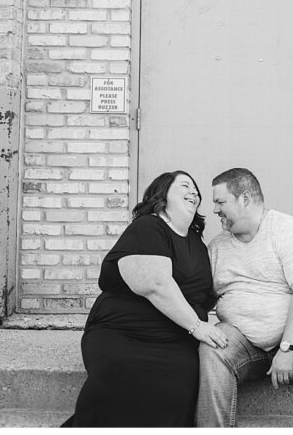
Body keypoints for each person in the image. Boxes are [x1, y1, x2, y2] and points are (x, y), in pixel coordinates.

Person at [63, 171, 227, 427]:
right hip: (124, 333)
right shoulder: (149, 226)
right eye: (185, 185)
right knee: (118, 375)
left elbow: (206, 295)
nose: (194, 192)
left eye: (196, 190)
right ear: (162, 194)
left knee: (180, 383)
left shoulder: (197, 243)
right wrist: (197, 326)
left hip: (175, 340)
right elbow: (155, 284)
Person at [196, 167, 293, 427]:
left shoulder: (285, 228)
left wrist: (288, 347)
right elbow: (203, 298)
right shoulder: (217, 247)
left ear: (245, 198)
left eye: (220, 202)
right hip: (245, 347)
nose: (215, 210)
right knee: (213, 343)